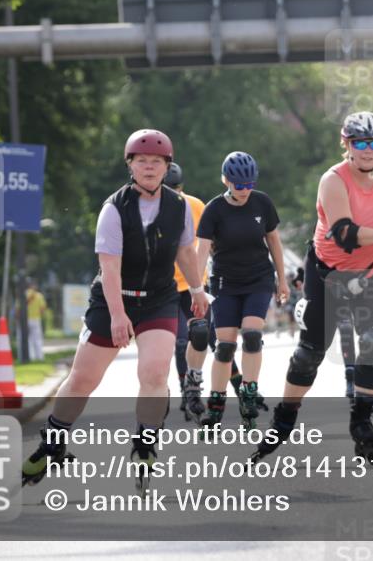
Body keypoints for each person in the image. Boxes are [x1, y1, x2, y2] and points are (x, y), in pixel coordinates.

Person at [22, 129, 208, 491]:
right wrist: (119, 314)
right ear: (130, 165)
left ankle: (145, 444)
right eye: (142, 161)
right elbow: (109, 268)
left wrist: (198, 289)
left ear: (167, 166)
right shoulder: (114, 208)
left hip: (159, 298)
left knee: (155, 373)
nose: (149, 167)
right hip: (113, 298)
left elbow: (186, 252)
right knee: (83, 379)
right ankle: (53, 443)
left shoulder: (179, 207)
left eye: (156, 162)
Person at [252, 111, 373, 464]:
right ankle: (284, 420)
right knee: (309, 355)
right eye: (359, 143)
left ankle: (362, 423)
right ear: (346, 144)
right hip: (328, 273)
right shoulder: (333, 181)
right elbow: (345, 235)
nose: (368, 150)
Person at [194, 151, 289, 430]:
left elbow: (274, 241)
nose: (245, 190)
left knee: (251, 335)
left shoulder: (262, 203)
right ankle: (216, 404)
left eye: (250, 184)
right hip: (225, 282)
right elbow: (201, 251)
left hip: (259, 278)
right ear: (226, 180)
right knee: (224, 347)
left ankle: (248, 392)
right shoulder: (214, 210)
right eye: (239, 185)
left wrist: (282, 279)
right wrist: (196, 288)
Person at [163, 162, 218, 423]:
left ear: (181, 187)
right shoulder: (151, 208)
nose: (172, 193)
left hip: (193, 284)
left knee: (201, 334)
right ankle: (187, 392)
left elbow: (212, 241)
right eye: (168, 188)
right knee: (180, 341)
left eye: (175, 188)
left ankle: (192, 384)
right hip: (164, 285)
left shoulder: (196, 205)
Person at [25, 280, 47, 361]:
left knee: (28, 339)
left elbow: (18, 308)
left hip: (26, 319)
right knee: (37, 339)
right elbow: (42, 309)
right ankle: (39, 357)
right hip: (36, 319)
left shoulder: (24, 294)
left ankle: (31, 357)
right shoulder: (39, 295)